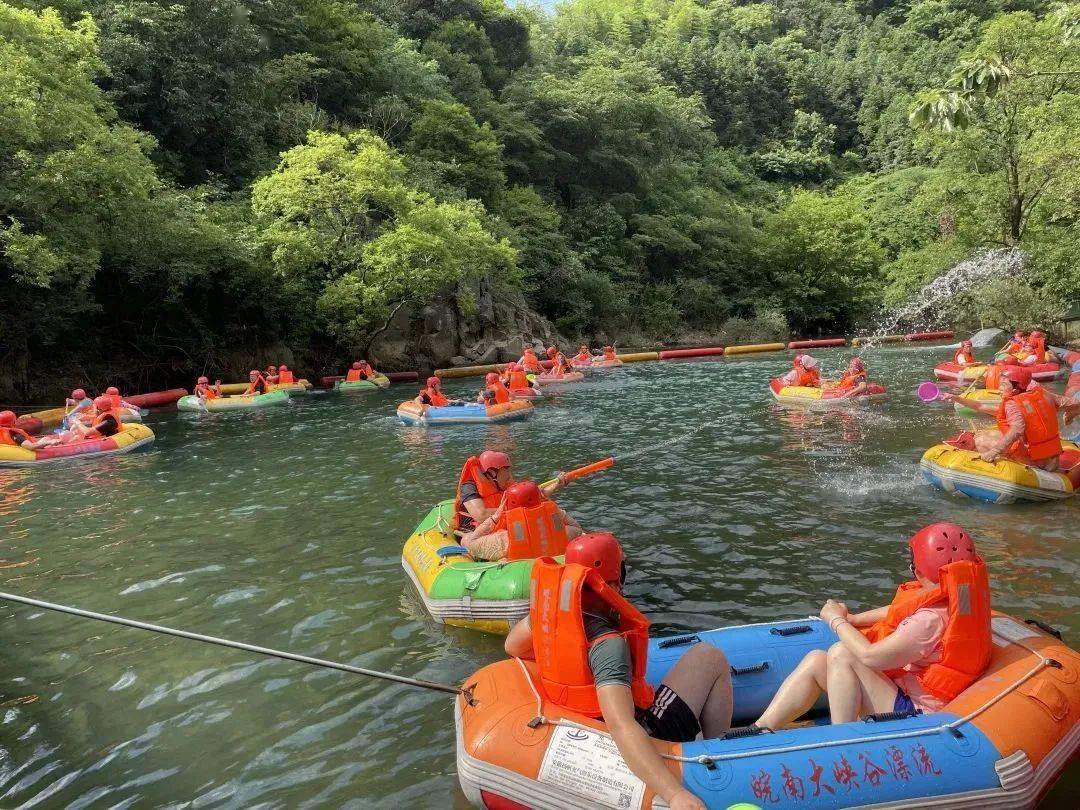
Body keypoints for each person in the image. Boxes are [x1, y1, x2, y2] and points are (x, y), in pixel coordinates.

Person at [505, 533, 733, 810]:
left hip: (576, 713)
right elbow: (622, 726)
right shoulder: (608, 643)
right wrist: (674, 794)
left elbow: (512, 645)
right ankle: (719, 750)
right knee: (709, 656)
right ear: (613, 578)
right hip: (646, 732)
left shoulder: (551, 612)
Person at [754, 523, 991, 730]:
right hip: (903, 695)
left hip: (915, 715)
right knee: (818, 659)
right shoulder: (956, 597)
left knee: (842, 653)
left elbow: (871, 657)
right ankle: (760, 729)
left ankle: (842, 741)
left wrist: (835, 620)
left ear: (918, 571)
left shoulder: (929, 621)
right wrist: (854, 619)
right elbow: (897, 611)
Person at [942, 366, 1080, 481]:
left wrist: (994, 452)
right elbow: (980, 406)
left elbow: (1017, 430)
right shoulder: (1043, 395)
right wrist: (955, 398)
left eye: (1003, 384)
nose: (999, 387)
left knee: (981, 438)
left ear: (1015, 389)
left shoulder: (1012, 405)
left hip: (1035, 461)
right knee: (990, 432)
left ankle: (1012, 467)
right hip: (1052, 457)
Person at [460, 478, 583, 560]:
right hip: (554, 562)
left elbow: (471, 543)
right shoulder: (563, 533)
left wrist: (495, 517)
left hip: (520, 573)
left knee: (466, 538)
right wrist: (558, 512)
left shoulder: (503, 540)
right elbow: (577, 528)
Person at [454, 450, 568, 532]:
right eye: (506, 470)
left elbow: (533, 496)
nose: (509, 474)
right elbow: (481, 515)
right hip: (474, 531)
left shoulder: (503, 483)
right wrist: (517, 508)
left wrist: (556, 483)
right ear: (492, 472)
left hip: (500, 526)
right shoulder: (469, 487)